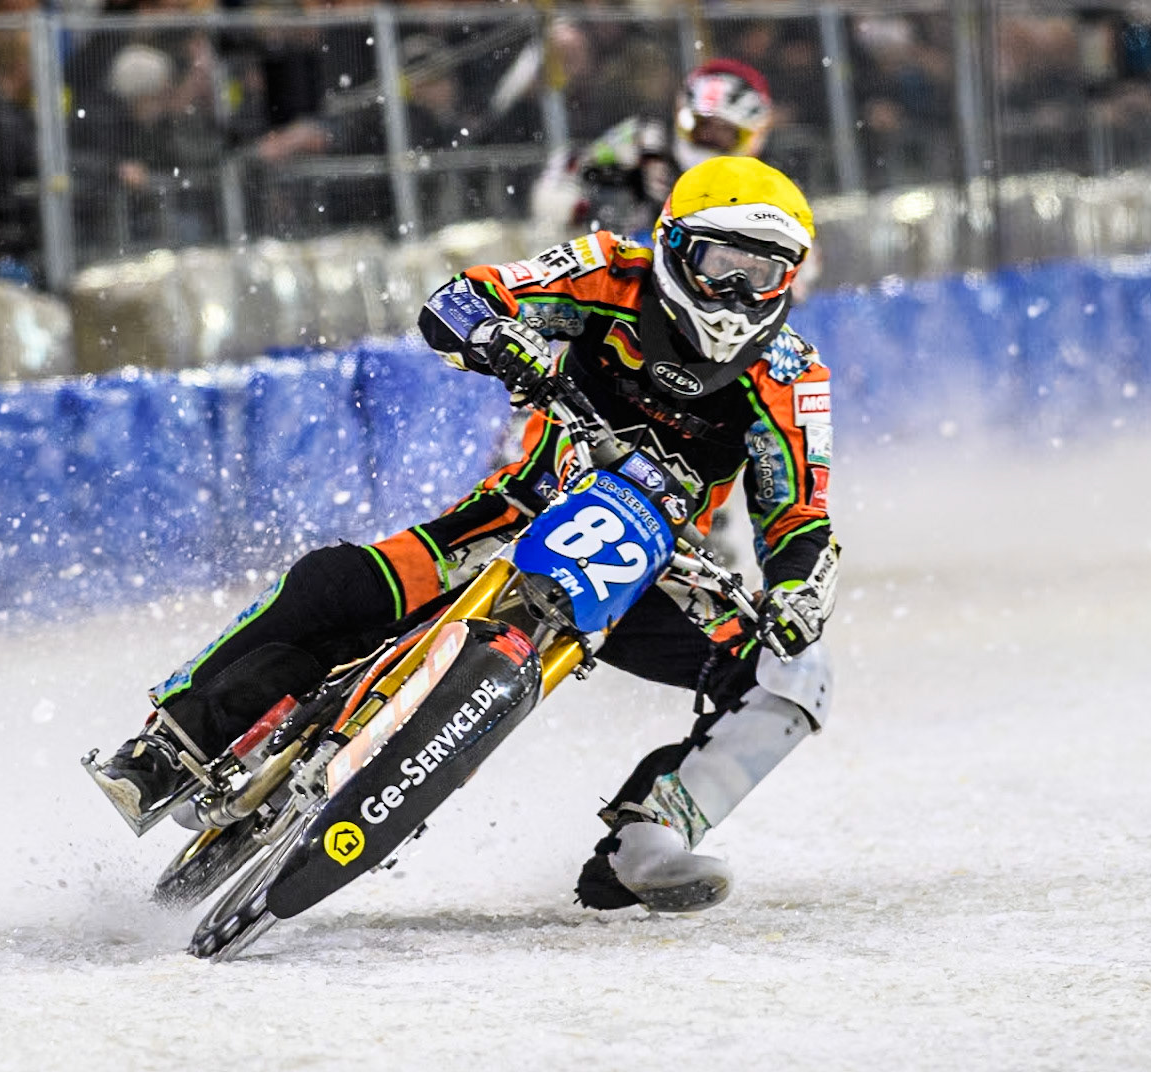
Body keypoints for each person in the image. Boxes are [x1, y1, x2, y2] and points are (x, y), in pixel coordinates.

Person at [91, 156, 841, 914]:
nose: (740, 294)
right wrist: (500, 338)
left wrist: (798, 595)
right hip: (520, 514)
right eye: (722, 264)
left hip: (649, 575)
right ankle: (164, 750)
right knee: (333, 584)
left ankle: (651, 838)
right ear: (675, 245)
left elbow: (800, 515)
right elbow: (461, 299)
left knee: (797, 674)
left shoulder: (792, 377)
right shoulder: (609, 269)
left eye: (764, 274)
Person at [531, 58, 775, 242]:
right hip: (627, 257)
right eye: (704, 125)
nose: (711, 136)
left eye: (725, 130)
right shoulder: (647, 138)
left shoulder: (765, 182)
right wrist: (573, 210)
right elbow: (572, 165)